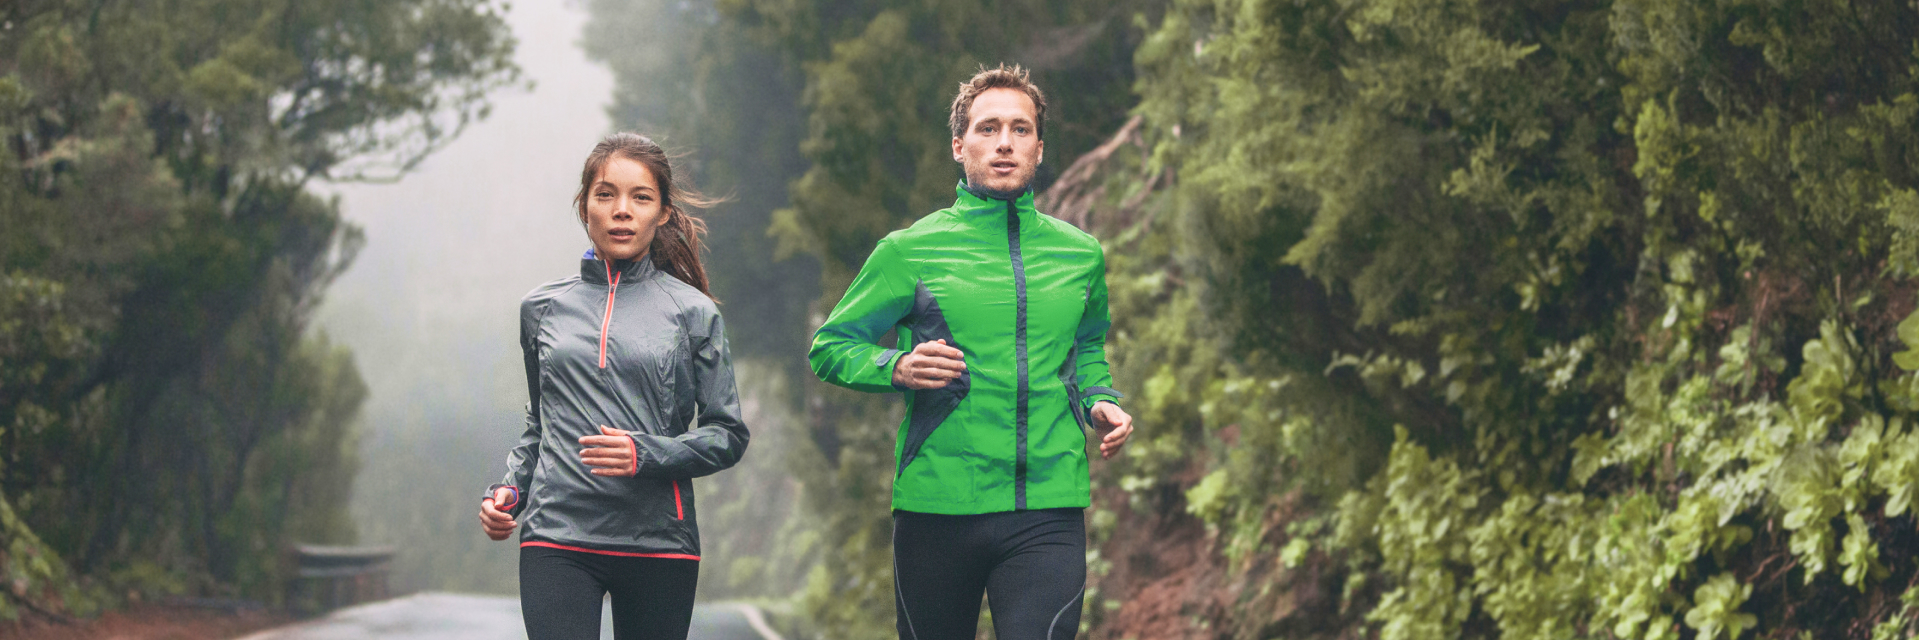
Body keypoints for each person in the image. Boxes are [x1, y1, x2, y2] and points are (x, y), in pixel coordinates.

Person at [809, 64, 1135, 640]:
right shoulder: (909, 250)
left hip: (1048, 509)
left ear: (1040, 147)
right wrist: (897, 367)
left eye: (1020, 129)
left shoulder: (1080, 254)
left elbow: (1086, 351)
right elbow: (831, 347)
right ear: (959, 146)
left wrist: (1101, 399)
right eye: (987, 129)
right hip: (938, 507)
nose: (1004, 142)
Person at [476, 133, 749, 640]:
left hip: (658, 542)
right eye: (606, 195)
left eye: (640, 197)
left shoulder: (694, 313)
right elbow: (541, 426)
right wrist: (509, 492)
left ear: (663, 211)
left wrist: (645, 454)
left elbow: (727, 434)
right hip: (557, 536)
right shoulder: (540, 309)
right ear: (585, 207)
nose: (622, 210)